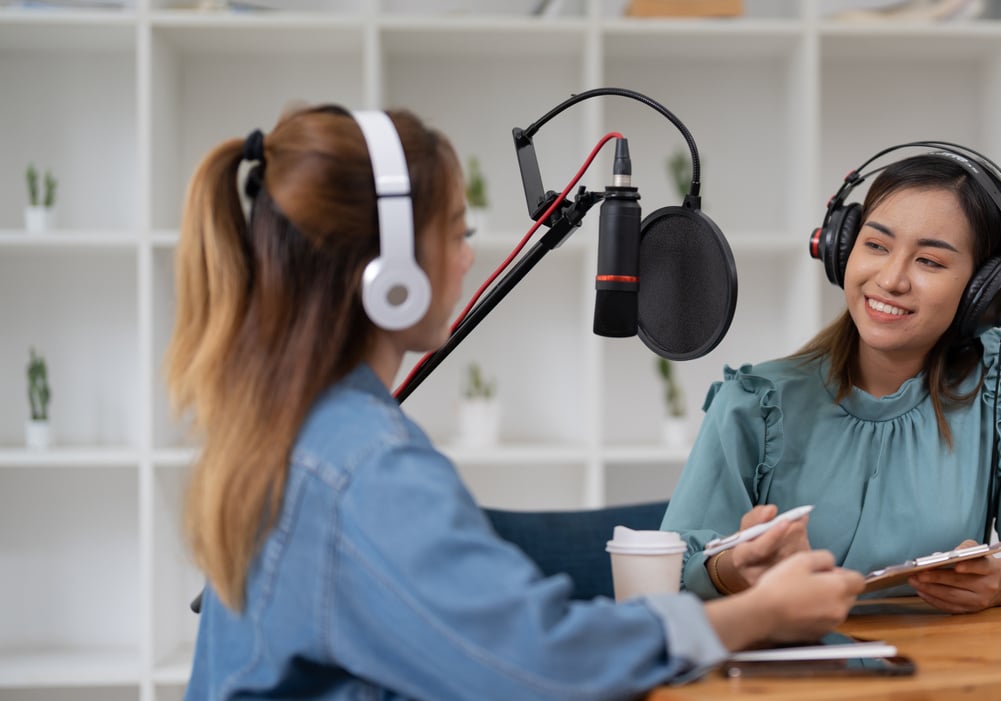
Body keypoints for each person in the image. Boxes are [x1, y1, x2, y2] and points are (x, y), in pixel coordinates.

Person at [169, 104, 865, 700]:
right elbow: (539, 664)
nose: (468, 257)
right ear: (390, 276)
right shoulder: (362, 467)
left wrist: (714, 570)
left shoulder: (301, 426)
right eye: (455, 231)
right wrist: (759, 615)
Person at [660, 145, 1001, 613]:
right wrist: (732, 570)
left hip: (943, 674)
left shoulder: (995, 388)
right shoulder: (753, 404)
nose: (891, 279)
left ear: (982, 292)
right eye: (876, 245)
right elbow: (666, 573)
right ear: (840, 249)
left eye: (930, 261)